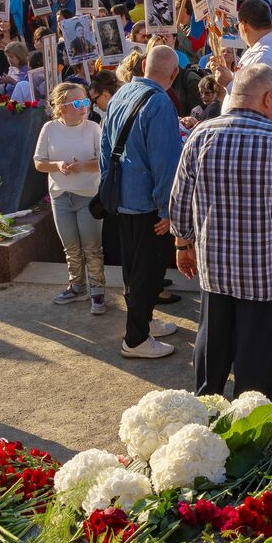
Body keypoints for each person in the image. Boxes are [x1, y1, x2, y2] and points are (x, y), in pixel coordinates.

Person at [170, 65, 272, 397]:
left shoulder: (201, 134)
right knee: (256, 352)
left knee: (212, 342)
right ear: (268, 98)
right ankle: (249, 417)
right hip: (264, 272)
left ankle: (206, 407)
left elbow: (180, 199)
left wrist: (183, 244)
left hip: (214, 267)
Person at [101, 45, 183, 357]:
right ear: (174, 74)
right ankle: (135, 339)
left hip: (122, 197)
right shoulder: (160, 102)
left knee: (133, 268)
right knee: (146, 271)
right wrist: (167, 208)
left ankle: (144, 323)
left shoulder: (121, 93)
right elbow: (165, 162)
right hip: (147, 203)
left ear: (145, 64)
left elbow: (104, 147)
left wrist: (110, 187)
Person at [34, 82, 106, 315]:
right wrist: (57, 165)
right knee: (71, 247)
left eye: (85, 101)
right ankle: (77, 287)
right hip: (60, 196)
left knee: (92, 248)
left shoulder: (93, 128)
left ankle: (97, 291)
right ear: (62, 107)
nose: (84, 107)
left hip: (89, 196)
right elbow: (38, 162)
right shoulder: (49, 128)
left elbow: (104, 162)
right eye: (78, 103)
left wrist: (82, 166)